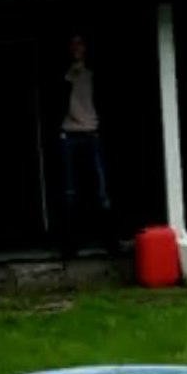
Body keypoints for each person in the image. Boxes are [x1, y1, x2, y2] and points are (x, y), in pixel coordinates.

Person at [58, 32, 113, 257]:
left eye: (80, 44)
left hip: (93, 134)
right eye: (72, 44)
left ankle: (109, 240)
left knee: (101, 191)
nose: (76, 48)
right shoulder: (64, 75)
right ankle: (71, 244)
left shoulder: (94, 74)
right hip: (69, 135)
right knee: (70, 192)